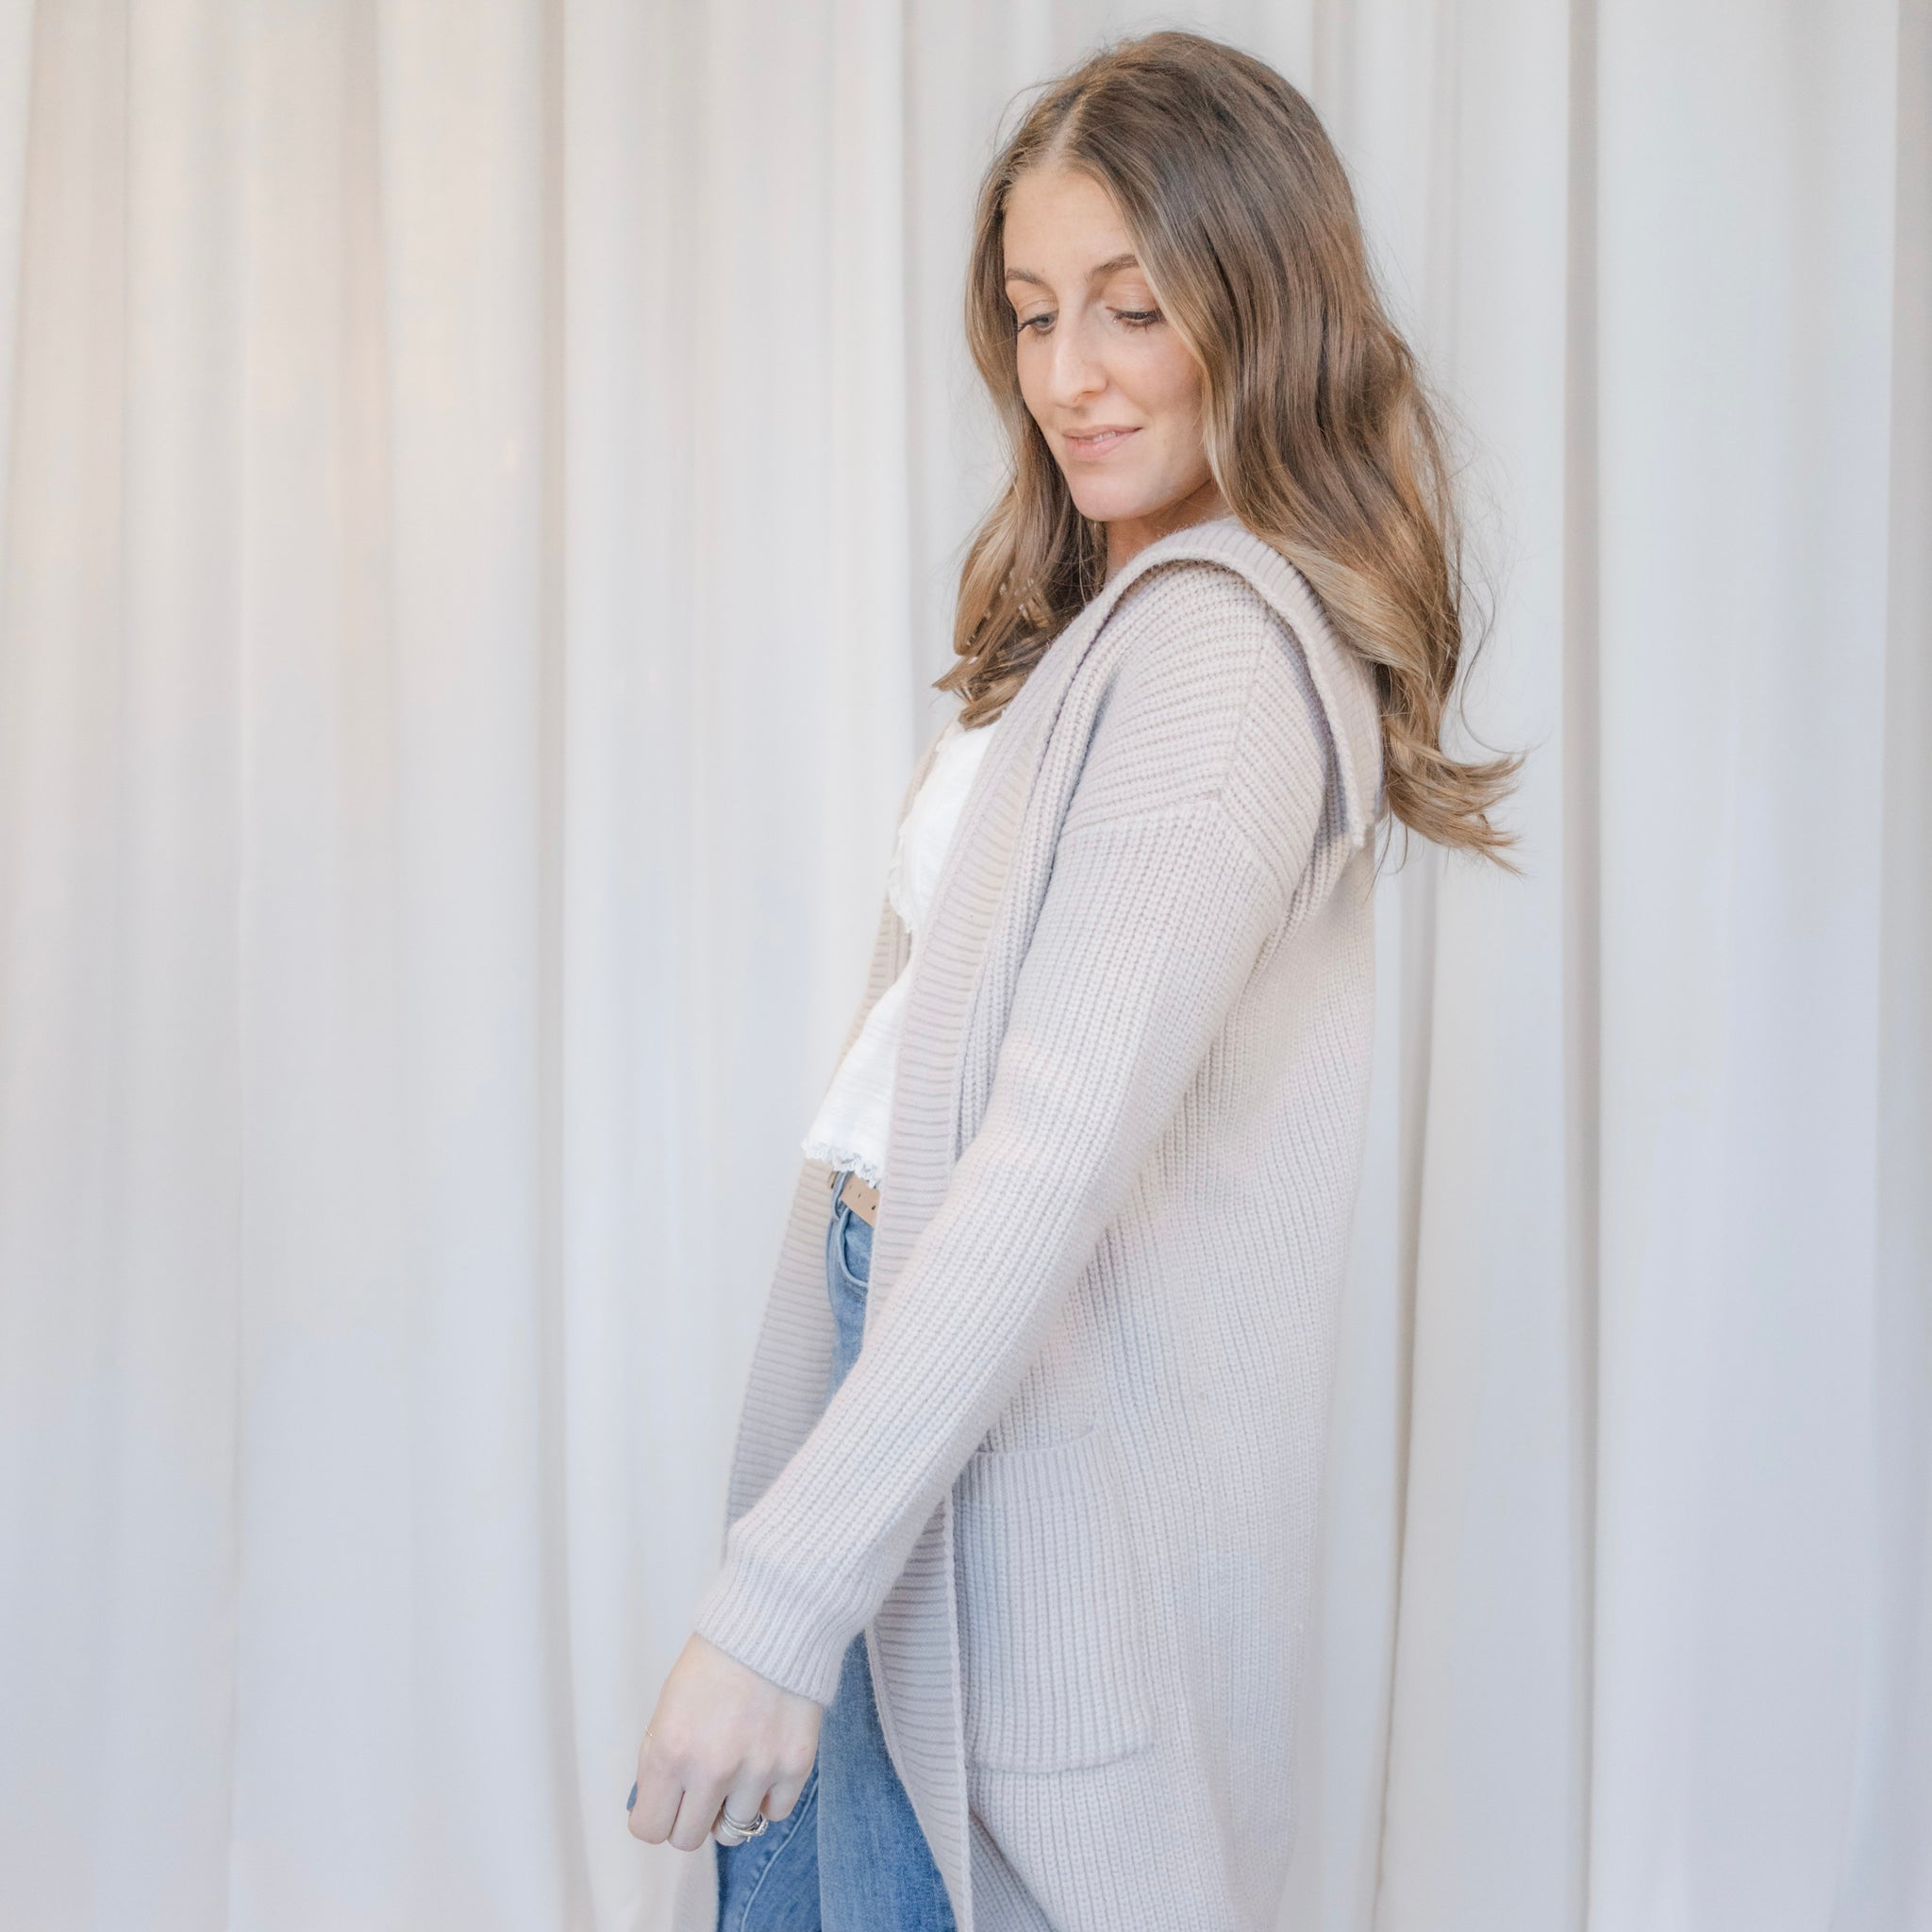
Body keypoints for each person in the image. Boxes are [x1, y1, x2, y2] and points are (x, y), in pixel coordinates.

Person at [629, 27, 1517, 1932]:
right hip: (909, 1415)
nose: (1069, 377)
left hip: (1000, 1477)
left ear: (1259, 305)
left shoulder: (1210, 656)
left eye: (1132, 307)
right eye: (1034, 315)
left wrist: (770, 1596)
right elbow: (904, 1099)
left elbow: (1039, 1164)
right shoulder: (1120, 625)